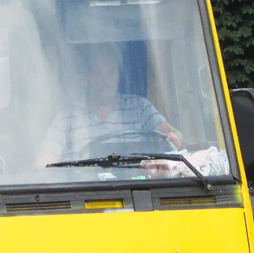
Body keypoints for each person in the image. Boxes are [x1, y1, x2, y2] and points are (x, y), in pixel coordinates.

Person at [36, 44, 183, 166]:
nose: (106, 80)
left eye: (111, 72)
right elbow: (44, 162)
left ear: (118, 76)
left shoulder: (139, 107)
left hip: (139, 192)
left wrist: (173, 137)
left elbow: (173, 134)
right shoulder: (67, 118)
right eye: (98, 73)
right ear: (86, 78)